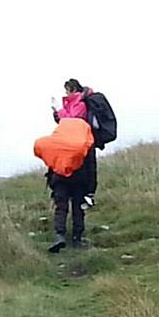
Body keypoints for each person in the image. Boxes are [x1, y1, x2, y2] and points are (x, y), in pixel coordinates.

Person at [47, 78, 97, 253]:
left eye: (67, 90)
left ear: (72, 89)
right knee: (78, 205)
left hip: (61, 173)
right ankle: (76, 238)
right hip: (80, 173)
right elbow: (91, 164)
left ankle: (60, 236)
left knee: (61, 204)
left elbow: (69, 121)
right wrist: (92, 187)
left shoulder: (77, 108)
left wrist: (58, 111)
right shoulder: (86, 137)